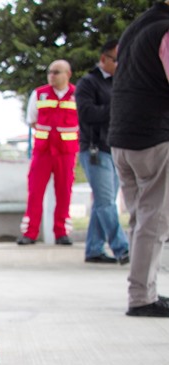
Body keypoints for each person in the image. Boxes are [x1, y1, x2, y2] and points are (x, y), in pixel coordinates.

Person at [109, 0, 169, 317]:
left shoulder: (135, 29)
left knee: (139, 220)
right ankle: (142, 297)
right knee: (154, 221)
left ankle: (144, 291)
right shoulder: (165, 30)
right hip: (153, 139)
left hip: (121, 139)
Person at [76, 40, 130, 265]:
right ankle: (122, 249)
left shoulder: (120, 82)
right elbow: (87, 113)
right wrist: (116, 109)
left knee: (103, 202)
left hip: (114, 147)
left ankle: (94, 249)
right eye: (116, 59)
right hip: (95, 150)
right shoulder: (88, 83)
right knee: (107, 202)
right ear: (103, 59)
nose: (119, 64)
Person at [18, 59, 79, 246]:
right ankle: (30, 233)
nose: (51, 75)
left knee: (64, 193)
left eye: (56, 72)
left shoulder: (77, 95)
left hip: (66, 153)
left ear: (67, 74)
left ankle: (62, 233)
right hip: (43, 152)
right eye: (50, 72)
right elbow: (32, 120)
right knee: (35, 192)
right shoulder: (39, 94)